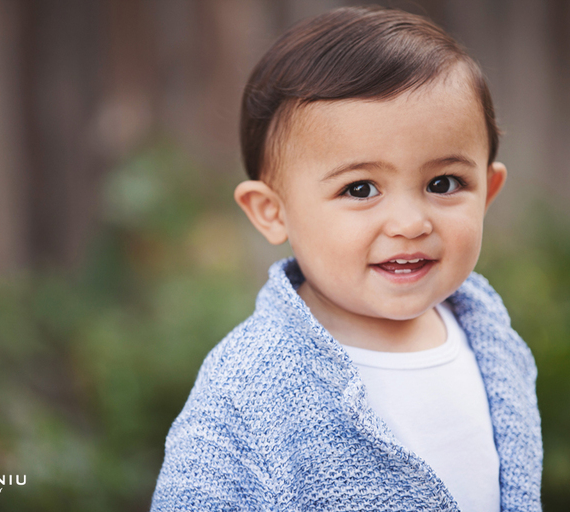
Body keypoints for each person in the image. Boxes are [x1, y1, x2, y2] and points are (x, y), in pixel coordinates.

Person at [151, 6, 542, 511]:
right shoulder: (249, 389)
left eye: (443, 184)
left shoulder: (494, 344)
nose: (410, 223)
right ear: (273, 213)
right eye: (360, 188)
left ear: (487, 192)